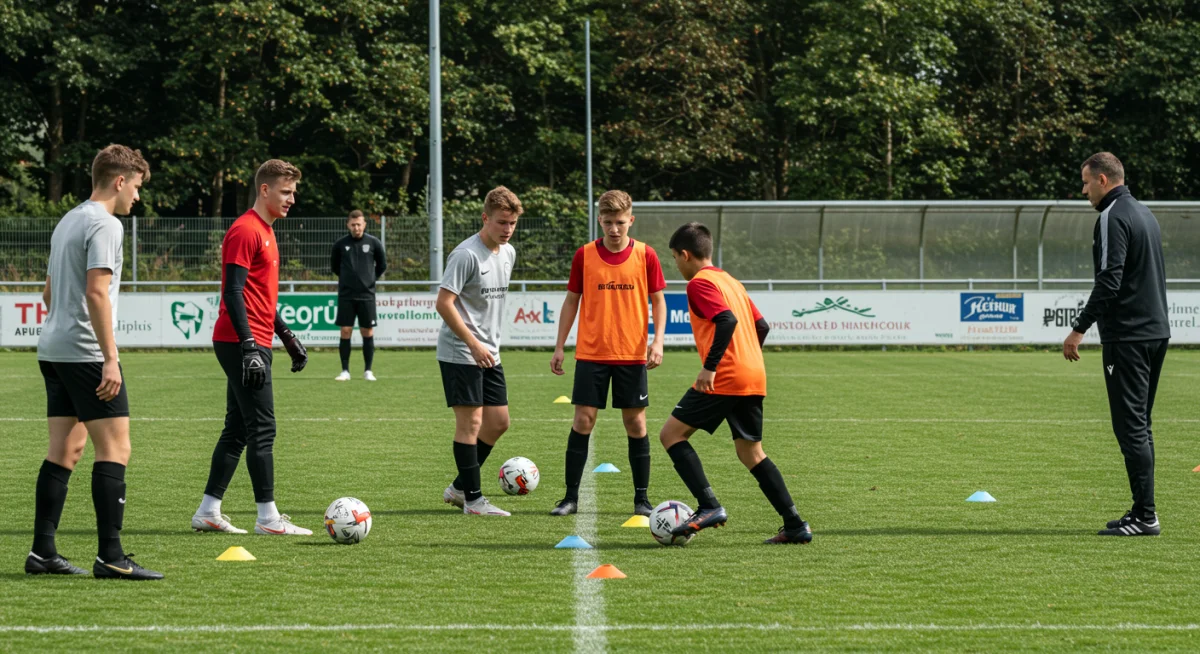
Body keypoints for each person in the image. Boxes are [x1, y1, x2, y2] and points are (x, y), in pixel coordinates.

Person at [30, 144, 163, 579]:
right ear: (120, 181)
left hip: (53, 349)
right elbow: (96, 292)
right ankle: (111, 556)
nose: (137, 197)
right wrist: (110, 358)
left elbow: (48, 292)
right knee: (116, 448)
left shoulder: (69, 219)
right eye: (136, 187)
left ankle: (42, 553)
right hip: (85, 352)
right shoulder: (106, 224)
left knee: (65, 450)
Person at [659, 222, 812, 544]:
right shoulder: (731, 282)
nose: (676, 265)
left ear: (685, 255)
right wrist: (747, 357)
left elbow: (726, 320)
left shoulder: (699, 283)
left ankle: (708, 505)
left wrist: (710, 367)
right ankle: (795, 525)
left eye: (674, 258)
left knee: (671, 434)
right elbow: (761, 326)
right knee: (751, 452)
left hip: (726, 375)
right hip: (753, 373)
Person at [191, 159, 311, 536]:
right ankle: (268, 519)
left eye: (293, 193)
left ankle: (208, 511)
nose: (291, 199)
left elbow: (261, 297)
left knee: (239, 428)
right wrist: (249, 347)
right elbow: (233, 292)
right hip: (240, 341)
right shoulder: (245, 230)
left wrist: (287, 336)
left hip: (253, 339)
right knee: (262, 427)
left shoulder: (267, 231)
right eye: (286, 192)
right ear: (264, 189)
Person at [1064, 152, 1171, 537]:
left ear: (1103, 180)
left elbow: (1110, 278)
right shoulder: (1145, 213)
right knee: (1141, 425)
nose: (1084, 191)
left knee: (1130, 428)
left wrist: (1078, 329)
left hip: (1128, 336)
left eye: (1086, 182)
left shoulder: (1112, 216)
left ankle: (1146, 516)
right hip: (1155, 332)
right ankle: (1142, 511)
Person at [549, 190, 666, 517]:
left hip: (631, 354)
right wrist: (559, 346)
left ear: (631, 220)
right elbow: (571, 300)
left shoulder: (646, 254)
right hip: (592, 354)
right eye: (608, 222)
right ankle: (570, 498)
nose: (614, 229)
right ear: (599, 220)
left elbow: (658, 300)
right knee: (583, 420)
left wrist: (657, 342)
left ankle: (642, 500)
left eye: (620, 222)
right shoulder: (584, 255)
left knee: (636, 424)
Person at [436, 186, 521, 516]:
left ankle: (459, 487)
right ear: (485, 218)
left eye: (512, 223)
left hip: (489, 353)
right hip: (461, 351)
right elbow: (444, 303)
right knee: (470, 424)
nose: (507, 229)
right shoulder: (465, 254)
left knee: (498, 422)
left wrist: (485, 346)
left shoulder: (509, 252)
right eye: (501, 222)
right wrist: (473, 343)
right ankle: (473, 501)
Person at [332, 209, 387, 381]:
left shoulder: (374, 243)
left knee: (367, 331)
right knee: (345, 331)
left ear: (364, 224)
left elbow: (382, 265)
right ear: (348, 225)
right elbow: (335, 266)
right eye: (353, 225)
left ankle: (368, 371)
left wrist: (369, 279)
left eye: (359, 224)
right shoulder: (340, 244)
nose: (356, 228)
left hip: (367, 295)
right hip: (346, 295)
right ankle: (345, 371)